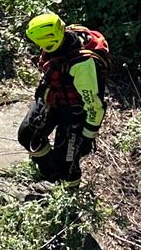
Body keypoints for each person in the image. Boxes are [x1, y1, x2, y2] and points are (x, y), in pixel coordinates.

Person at [17, 12, 108, 182]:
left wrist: (88, 136)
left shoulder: (82, 65)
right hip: (54, 99)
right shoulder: (61, 40)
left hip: (74, 114)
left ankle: (69, 193)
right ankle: (48, 172)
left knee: (67, 164)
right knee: (27, 135)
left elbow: (94, 105)